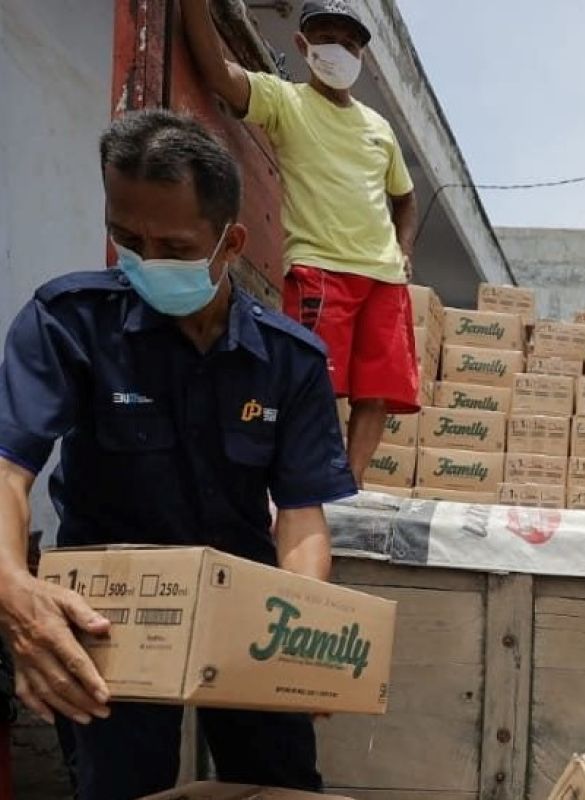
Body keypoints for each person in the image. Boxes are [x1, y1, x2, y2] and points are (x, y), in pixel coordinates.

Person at [0, 109, 357, 799]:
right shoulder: (67, 322)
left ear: (231, 242)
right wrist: (13, 587)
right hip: (109, 611)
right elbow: (8, 469)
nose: (145, 260)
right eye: (126, 237)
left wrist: (307, 628)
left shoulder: (292, 361)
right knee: (121, 786)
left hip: (248, 609)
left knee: (278, 785)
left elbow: (301, 515)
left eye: (173, 244)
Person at [181, 0, 421, 486]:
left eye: (350, 44)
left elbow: (407, 198)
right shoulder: (285, 100)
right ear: (302, 45)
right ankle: (311, 476)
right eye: (328, 39)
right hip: (320, 270)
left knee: (375, 392)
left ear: (362, 56)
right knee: (314, 382)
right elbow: (218, 73)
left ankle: (347, 486)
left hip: (384, 279)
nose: (339, 51)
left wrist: (404, 250)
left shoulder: (379, 129)